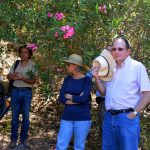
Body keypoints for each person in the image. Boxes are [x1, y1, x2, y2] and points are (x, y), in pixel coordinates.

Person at [92, 37, 150, 150]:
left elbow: (148, 94)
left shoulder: (137, 67)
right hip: (108, 117)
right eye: (114, 49)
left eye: (120, 49)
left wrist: (133, 113)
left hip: (127, 118)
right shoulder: (111, 70)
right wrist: (97, 78)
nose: (116, 52)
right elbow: (104, 93)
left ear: (128, 51)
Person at [56, 54, 92, 150]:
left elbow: (84, 99)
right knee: (61, 145)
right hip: (67, 117)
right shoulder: (67, 79)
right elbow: (61, 98)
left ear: (75, 66)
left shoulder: (87, 80)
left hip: (82, 118)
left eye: (68, 64)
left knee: (79, 146)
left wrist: (70, 96)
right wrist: (77, 99)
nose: (66, 66)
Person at [7, 45, 38, 148]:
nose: (23, 54)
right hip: (15, 91)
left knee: (26, 117)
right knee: (14, 117)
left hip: (27, 92)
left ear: (29, 54)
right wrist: (12, 76)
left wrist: (23, 78)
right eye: (21, 52)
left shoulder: (33, 65)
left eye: (25, 52)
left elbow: (34, 81)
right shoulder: (16, 63)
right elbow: (8, 76)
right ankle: (13, 140)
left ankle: (24, 139)